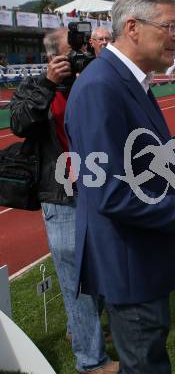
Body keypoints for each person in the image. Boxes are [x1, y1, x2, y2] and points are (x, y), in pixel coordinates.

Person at [65, 0, 175, 374]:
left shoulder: (126, 80)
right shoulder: (102, 87)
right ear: (132, 27)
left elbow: (140, 162)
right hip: (130, 263)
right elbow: (111, 193)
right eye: (169, 26)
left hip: (141, 259)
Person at [9, 28, 117, 374]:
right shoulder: (35, 86)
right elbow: (19, 123)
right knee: (77, 281)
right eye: (75, 51)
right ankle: (91, 361)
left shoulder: (90, 81)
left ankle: (79, 331)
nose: (82, 54)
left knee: (99, 270)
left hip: (97, 189)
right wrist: (48, 84)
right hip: (61, 196)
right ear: (55, 56)